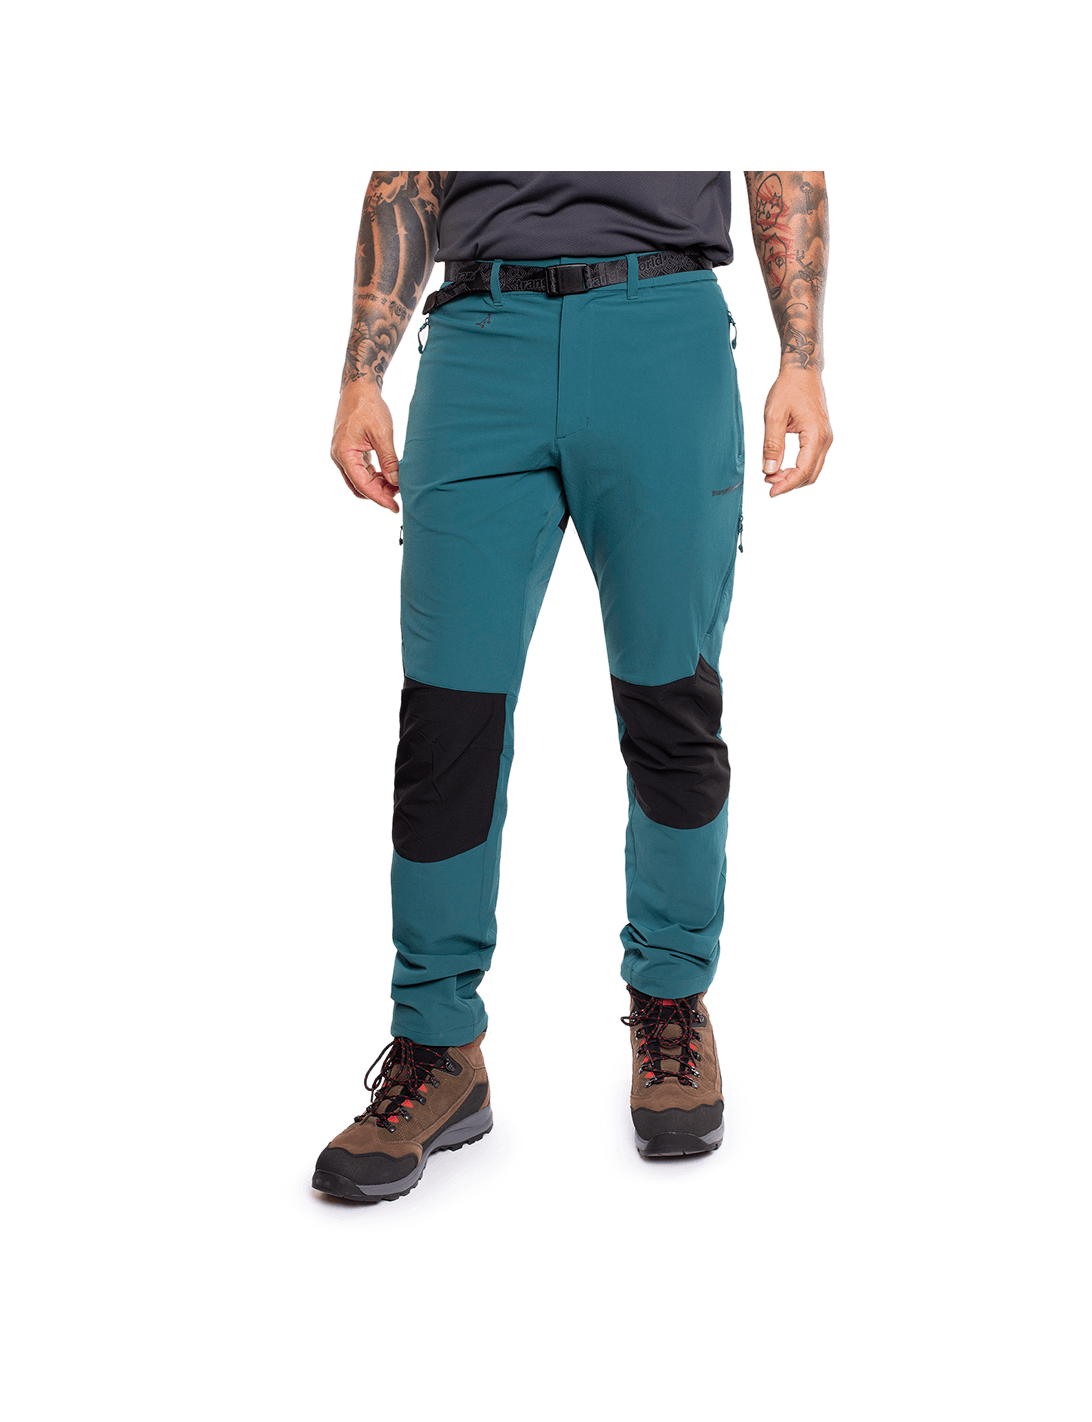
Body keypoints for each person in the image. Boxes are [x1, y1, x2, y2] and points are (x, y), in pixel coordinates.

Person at [313, 172, 832, 1203]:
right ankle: (436, 1044)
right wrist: (360, 373)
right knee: (446, 719)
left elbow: (783, 152)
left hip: (664, 330)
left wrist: (803, 359)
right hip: (479, 336)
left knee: (670, 701)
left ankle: (671, 1002)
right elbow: (410, 165)